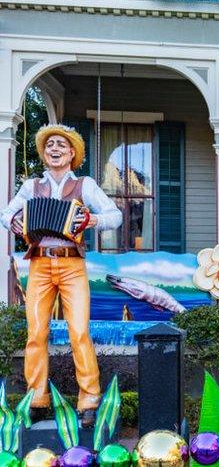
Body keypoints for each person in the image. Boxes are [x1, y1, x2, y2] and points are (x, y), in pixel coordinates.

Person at [0, 124, 122, 426]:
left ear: (72, 153)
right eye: (50, 145)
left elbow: (115, 215)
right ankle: (37, 398)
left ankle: (89, 400)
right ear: (45, 153)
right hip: (40, 264)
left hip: (72, 265)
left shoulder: (85, 184)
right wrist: (14, 223)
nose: (54, 149)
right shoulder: (31, 187)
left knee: (79, 331)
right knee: (36, 333)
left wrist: (92, 220)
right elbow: (6, 214)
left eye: (61, 145)